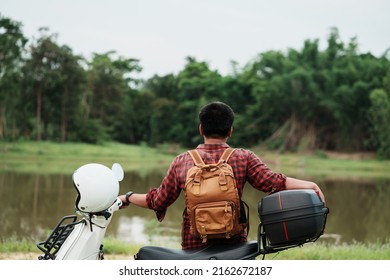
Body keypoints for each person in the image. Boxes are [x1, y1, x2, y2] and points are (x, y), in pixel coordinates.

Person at [118, 101, 326, 250]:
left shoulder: (182, 161)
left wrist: (126, 197)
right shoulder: (243, 157)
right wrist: (311, 185)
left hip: (193, 247)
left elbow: (157, 201)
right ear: (230, 131)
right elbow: (273, 182)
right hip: (234, 247)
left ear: (201, 129)